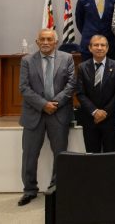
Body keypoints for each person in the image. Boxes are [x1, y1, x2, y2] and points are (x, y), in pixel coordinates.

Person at [18, 29, 75, 206]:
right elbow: (24, 87)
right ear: (36, 42)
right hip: (34, 114)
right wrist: (43, 104)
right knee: (29, 154)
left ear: (55, 42)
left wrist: (54, 103)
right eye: (42, 39)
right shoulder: (27, 60)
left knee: (60, 154)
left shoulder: (67, 58)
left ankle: (56, 188)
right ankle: (29, 190)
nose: (45, 42)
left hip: (58, 113)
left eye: (49, 39)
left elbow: (71, 84)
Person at [76, 34, 115, 153]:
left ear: (107, 48)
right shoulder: (82, 67)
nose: (99, 48)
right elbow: (80, 93)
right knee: (92, 157)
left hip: (110, 119)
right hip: (89, 119)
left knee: (110, 156)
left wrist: (105, 112)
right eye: (96, 45)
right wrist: (95, 112)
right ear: (90, 48)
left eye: (102, 45)